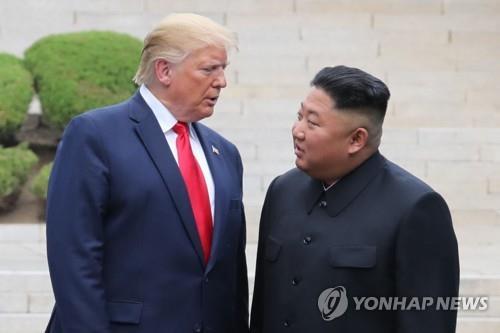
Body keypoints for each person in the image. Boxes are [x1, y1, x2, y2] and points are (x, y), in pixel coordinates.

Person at [45, 13, 248, 333]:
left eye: (223, 69)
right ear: (164, 70)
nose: (221, 81)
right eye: (209, 69)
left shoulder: (225, 154)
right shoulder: (95, 135)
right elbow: (73, 259)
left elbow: (231, 271)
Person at [250, 66, 459, 332]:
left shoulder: (415, 209)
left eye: (312, 123)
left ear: (356, 140)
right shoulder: (283, 191)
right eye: (299, 116)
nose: (297, 130)